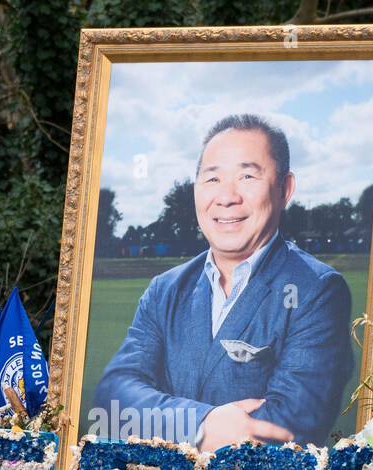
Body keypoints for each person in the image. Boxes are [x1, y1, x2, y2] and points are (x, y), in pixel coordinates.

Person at [95, 113, 354, 450]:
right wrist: (200, 424)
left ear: (284, 188)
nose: (227, 197)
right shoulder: (165, 289)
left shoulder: (317, 290)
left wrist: (159, 421)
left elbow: (291, 426)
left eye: (247, 175)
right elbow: (113, 397)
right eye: (213, 179)